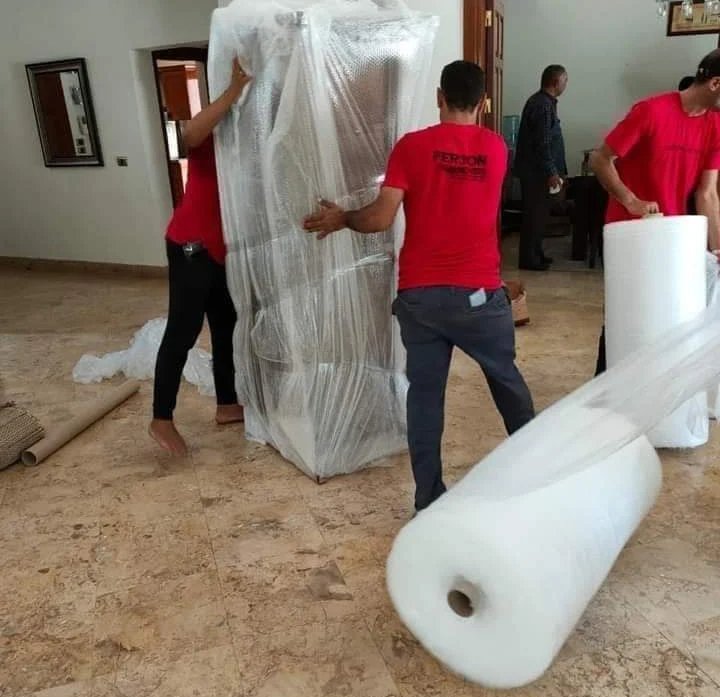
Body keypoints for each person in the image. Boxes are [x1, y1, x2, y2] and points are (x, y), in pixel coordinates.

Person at [302, 61, 535, 512]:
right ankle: (539, 477)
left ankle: (429, 499)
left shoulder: (411, 147)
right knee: (506, 381)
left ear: (439, 97)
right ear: (483, 102)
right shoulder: (496, 147)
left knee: (426, 397)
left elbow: (380, 218)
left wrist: (342, 217)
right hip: (480, 297)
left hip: (422, 298)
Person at [591, 50, 720, 375]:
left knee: (668, 321)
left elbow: (707, 193)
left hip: (674, 240)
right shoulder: (651, 111)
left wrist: (718, 246)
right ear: (716, 83)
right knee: (625, 322)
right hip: (631, 236)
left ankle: (651, 396)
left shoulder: (714, 126)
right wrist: (630, 200)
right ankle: (607, 392)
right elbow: (600, 159)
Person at [149, 58, 251, 455]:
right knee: (184, 329)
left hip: (220, 249)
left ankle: (227, 404)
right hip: (191, 243)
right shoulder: (214, 125)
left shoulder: (249, 136)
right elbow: (188, 134)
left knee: (226, 325)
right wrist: (233, 91)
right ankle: (161, 418)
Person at [514, 65, 569, 271]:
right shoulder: (542, 106)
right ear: (555, 82)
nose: (566, 85)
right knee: (533, 216)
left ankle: (536, 253)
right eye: (565, 80)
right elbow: (542, 143)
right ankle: (529, 259)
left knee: (540, 216)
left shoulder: (545, 103)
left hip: (538, 172)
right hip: (536, 173)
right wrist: (552, 172)